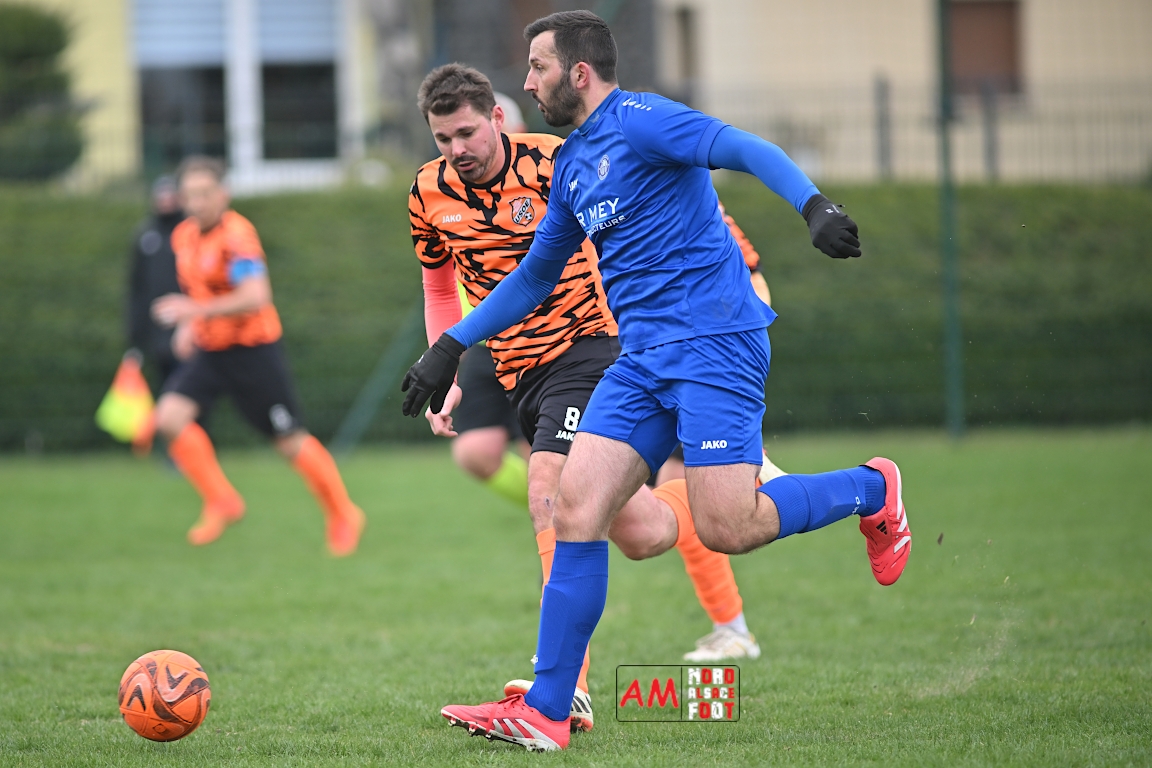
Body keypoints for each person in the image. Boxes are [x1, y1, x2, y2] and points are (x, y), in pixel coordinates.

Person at [403, 11, 911, 751]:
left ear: (579, 72)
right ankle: (547, 711)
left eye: (538, 66)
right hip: (639, 361)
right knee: (575, 508)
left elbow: (743, 147)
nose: (528, 83)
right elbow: (534, 277)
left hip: (714, 346)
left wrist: (813, 205)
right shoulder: (574, 165)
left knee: (727, 526)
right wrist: (450, 345)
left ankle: (872, 488)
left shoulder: (642, 120)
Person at [410, 64, 769, 731]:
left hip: (592, 344)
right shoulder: (426, 192)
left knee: (546, 485)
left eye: (467, 132)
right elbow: (438, 287)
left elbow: (644, 229)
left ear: (498, 119)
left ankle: (561, 691)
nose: (457, 148)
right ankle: (712, 491)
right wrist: (447, 363)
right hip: (513, 364)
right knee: (640, 530)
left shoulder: (559, 161)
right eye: (442, 138)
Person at [150, 156, 366, 555]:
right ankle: (222, 501)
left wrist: (193, 311)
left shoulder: (237, 236)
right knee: (168, 419)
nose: (197, 202)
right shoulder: (183, 236)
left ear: (224, 194)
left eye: (205, 193)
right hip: (211, 352)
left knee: (289, 442)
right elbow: (199, 291)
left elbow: (255, 296)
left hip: (253, 352)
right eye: (190, 195)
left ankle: (343, 514)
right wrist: (189, 326)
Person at [126, 176, 185, 388]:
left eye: (170, 194)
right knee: (166, 386)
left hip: (187, 325)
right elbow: (136, 287)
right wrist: (135, 338)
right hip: (157, 331)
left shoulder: (189, 231)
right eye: (161, 195)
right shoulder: (145, 235)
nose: (166, 200)